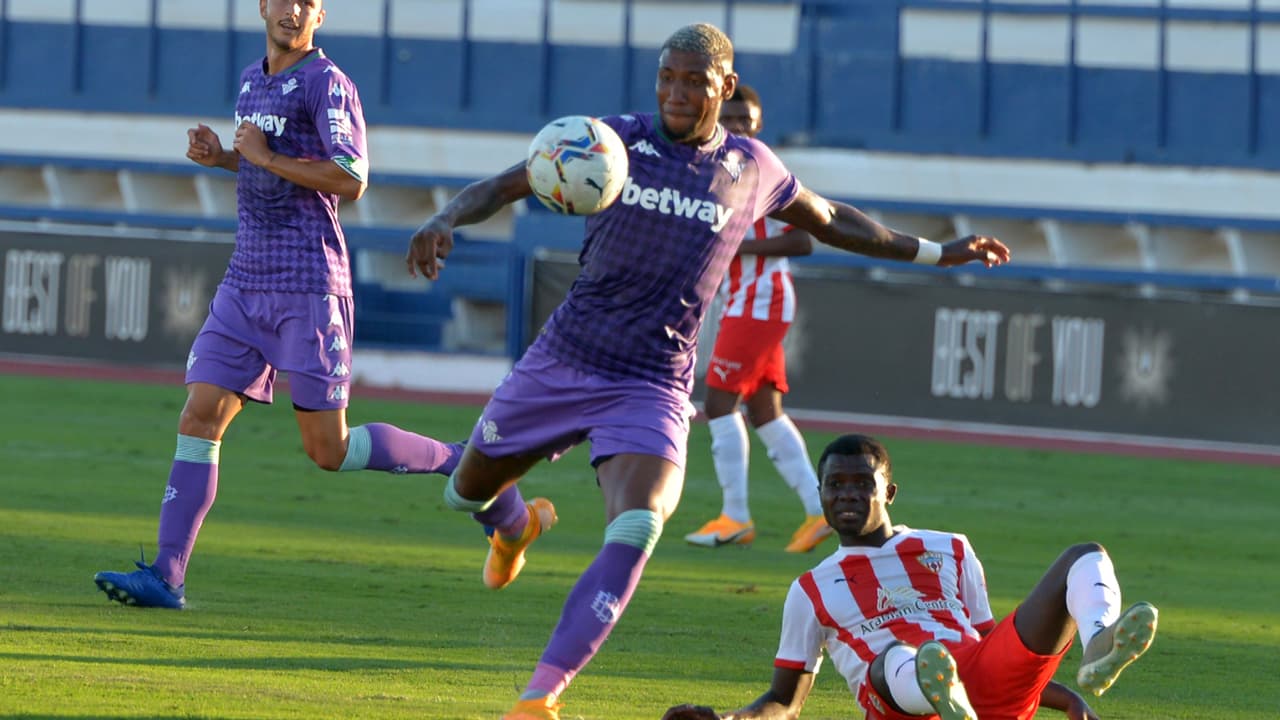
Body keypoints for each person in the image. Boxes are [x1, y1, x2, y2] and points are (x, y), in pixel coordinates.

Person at [405, 23, 1009, 720]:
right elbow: (513, 181)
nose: (677, 93)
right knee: (466, 490)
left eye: (694, 81)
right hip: (564, 360)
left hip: (653, 383)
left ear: (725, 85)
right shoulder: (613, 143)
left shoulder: (753, 166)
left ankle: (541, 697)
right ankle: (512, 528)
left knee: (638, 525)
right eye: (667, 78)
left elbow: (835, 220)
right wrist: (447, 216)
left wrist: (941, 252)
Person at [93, 0, 462, 610]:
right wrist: (226, 158)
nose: (293, 11)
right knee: (199, 414)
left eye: (308, 3)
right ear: (262, 5)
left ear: (322, 15)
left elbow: (350, 176)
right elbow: (267, 163)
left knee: (328, 450)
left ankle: (456, 459)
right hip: (245, 282)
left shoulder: (327, 83)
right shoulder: (251, 77)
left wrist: (261, 157)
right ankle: (166, 576)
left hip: (308, 286)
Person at [663, 434, 1159, 720]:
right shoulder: (809, 590)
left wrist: (1068, 699)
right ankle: (938, 694)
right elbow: (783, 702)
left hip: (976, 677)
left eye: (863, 484)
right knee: (896, 657)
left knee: (1083, 555)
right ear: (820, 495)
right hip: (896, 701)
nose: (848, 495)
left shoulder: (950, 547)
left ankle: (1098, 645)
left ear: (890, 492)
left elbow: (992, 647)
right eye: (835, 485)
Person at [685, 84, 830, 554]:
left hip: (760, 301)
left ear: (759, 126)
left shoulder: (769, 176)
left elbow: (804, 241)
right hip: (746, 301)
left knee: (720, 405)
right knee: (765, 413)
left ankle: (736, 516)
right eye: (729, 120)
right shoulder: (712, 173)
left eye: (746, 121)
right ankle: (818, 510)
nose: (738, 128)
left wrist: (738, 246)